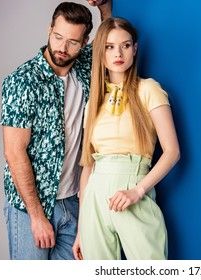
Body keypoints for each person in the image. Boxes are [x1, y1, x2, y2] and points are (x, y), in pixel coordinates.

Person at [0, 0, 113, 260]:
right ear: (49, 29)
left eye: (73, 42)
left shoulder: (84, 68)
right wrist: (37, 216)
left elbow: (106, 40)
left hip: (73, 202)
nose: (62, 48)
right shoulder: (22, 81)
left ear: (84, 42)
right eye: (58, 37)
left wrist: (104, 7)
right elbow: (14, 152)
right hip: (30, 207)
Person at [72, 17, 180, 260]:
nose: (118, 53)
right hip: (95, 199)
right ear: (101, 53)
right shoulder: (93, 103)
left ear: (135, 49)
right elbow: (88, 166)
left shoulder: (149, 89)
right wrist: (81, 228)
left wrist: (138, 191)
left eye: (125, 45)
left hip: (133, 190)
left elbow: (172, 151)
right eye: (109, 46)